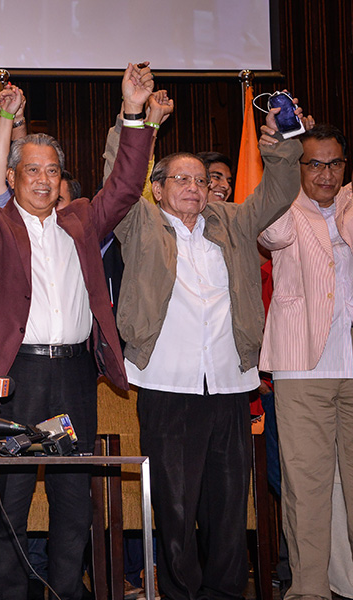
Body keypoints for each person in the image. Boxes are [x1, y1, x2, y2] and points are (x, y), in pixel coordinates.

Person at [0, 57, 155, 600]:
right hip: (14, 378)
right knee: (9, 504)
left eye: (51, 171)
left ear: (62, 179)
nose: (42, 179)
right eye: (31, 170)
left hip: (74, 377)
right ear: (12, 177)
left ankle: (65, 591)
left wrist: (133, 114)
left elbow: (127, 186)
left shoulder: (81, 220)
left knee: (71, 500)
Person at [111, 101, 303, 600]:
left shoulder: (233, 223)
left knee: (226, 506)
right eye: (180, 179)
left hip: (228, 384)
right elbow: (119, 174)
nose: (194, 187)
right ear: (157, 188)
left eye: (200, 179)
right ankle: (179, 594)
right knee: (174, 507)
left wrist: (281, 141)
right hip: (167, 386)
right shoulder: (142, 223)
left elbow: (281, 191)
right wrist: (135, 119)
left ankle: (224, 594)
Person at [258, 122, 353, 600]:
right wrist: (277, 155)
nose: (325, 173)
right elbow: (269, 234)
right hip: (302, 366)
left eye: (334, 163)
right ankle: (310, 590)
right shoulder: (285, 205)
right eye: (314, 163)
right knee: (307, 486)